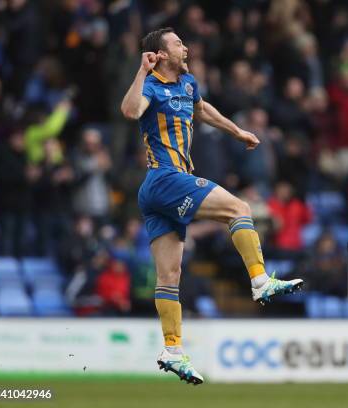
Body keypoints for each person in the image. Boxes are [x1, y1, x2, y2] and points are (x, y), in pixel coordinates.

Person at [120, 27, 303, 385]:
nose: (184, 47)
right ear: (159, 53)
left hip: (159, 191)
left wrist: (237, 132)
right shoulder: (151, 86)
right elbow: (129, 111)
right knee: (239, 209)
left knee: (170, 276)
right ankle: (260, 281)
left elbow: (203, 110)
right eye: (177, 43)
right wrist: (141, 70)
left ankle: (172, 349)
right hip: (166, 177)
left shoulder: (188, 84)